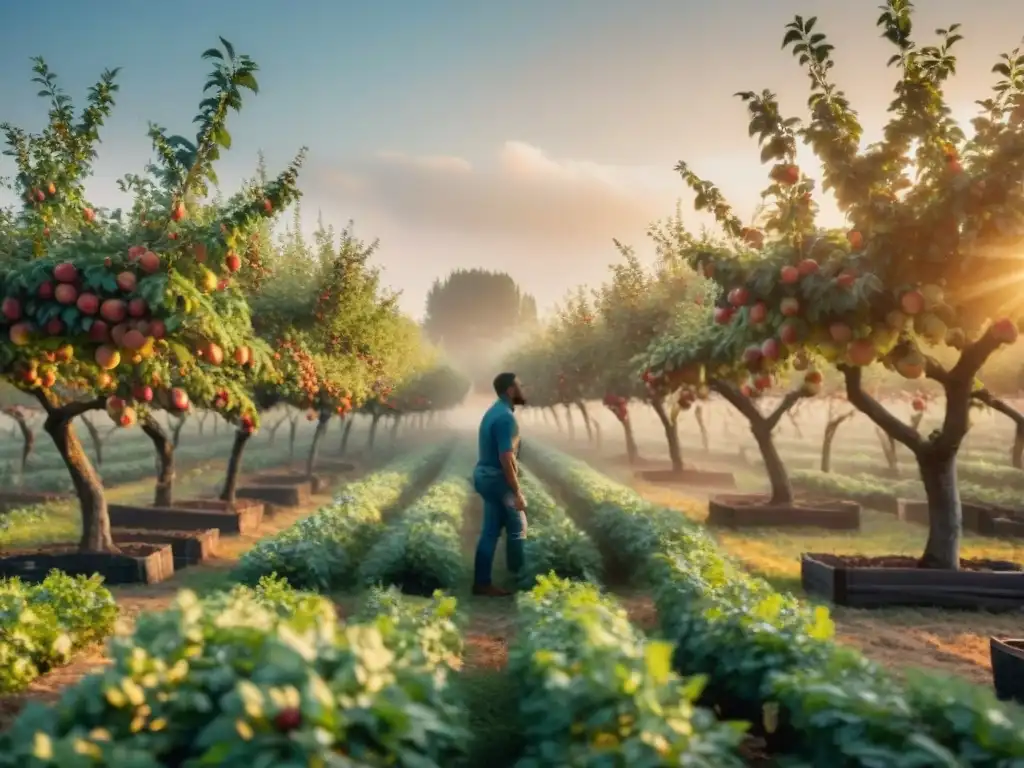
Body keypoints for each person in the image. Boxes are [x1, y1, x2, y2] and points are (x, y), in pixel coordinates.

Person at [472, 371, 528, 596]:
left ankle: (482, 583)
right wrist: (517, 492)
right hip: (497, 478)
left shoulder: (493, 411)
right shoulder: (505, 417)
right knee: (518, 526)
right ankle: (519, 579)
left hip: (484, 476)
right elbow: (506, 457)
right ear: (511, 390)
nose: (523, 389)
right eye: (520, 385)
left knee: (491, 530)